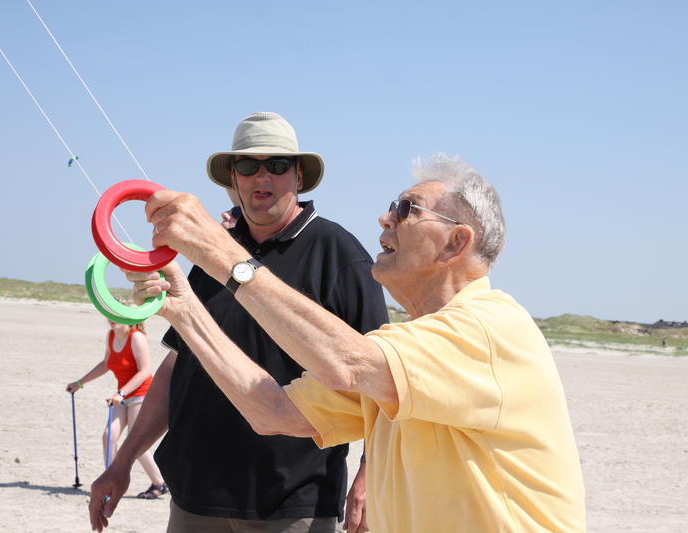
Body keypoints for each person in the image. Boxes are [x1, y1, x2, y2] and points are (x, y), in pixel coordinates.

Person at [96, 152, 588, 532]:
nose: (384, 219)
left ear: (457, 242)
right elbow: (273, 411)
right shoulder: (407, 348)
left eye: (406, 210)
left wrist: (218, 250)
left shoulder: (491, 328)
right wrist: (185, 311)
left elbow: (348, 361)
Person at [90, 112, 387, 533]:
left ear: (299, 176)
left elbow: (380, 381)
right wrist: (122, 462)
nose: (261, 175)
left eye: (277, 165)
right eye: (248, 165)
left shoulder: (338, 254)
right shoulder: (213, 253)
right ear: (233, 178)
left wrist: (369, 475)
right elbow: (177, 367)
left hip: (291, 503)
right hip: (195, 496)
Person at [66, 319, 167, 499]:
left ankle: (159, 482)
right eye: (109, 315)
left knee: (136, 441)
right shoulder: (111, 336)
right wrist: (80, 383)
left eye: (116, 315)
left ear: (126, 316)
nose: (111, 320)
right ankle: (110, 483)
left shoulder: (136, 337)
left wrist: (121, 392)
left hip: (141, 394)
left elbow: (145, 371)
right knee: (108, 436)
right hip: (122, 396)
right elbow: (106, 363)